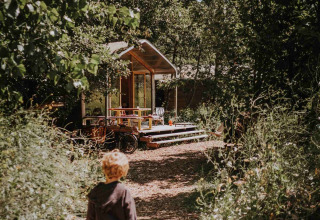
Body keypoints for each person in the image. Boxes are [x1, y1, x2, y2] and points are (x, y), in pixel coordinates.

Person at [86, 150, 137, 220]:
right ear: (123, 171)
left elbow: (90, 218)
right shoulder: (124, 193)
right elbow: (131, 217)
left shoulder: (95, 192)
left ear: (104, 168)